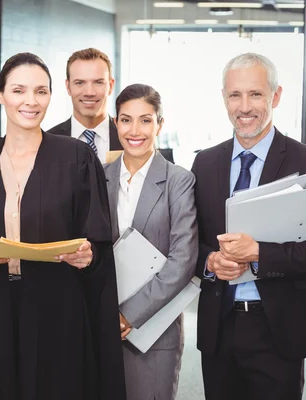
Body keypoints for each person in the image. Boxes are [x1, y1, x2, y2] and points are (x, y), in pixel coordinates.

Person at [0, 52, 126, 400]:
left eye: (41, 92)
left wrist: (88, 255)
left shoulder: (76, 157)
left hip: (57, 307)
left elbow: (99, 241)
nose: (30, 101)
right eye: (18, 91)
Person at [192, 52, 306, 400]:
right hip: (219, 325)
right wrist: (210, 263)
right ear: (224, 98)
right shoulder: (205, 162)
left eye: (255, 94)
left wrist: (259, 253)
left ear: (275, 96)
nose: (244, 107)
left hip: (277, 328)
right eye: (235, 95)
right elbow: (192, 242)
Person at [103, 83, 197, 400]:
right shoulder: (98, 177)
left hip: (155, 327)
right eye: (126, 120)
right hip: (101, 322)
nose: (135, 130)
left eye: (146, 120)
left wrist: (129, 313)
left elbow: (182, 260)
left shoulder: (178, 180)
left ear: (160, 123)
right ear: (115, 123)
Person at [48, 48, 121, 163]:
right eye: (80, 83)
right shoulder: (48, 143)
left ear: (111, 86)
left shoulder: (129, 138)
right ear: (68, 87)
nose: (89, 93)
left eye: (98, 82)